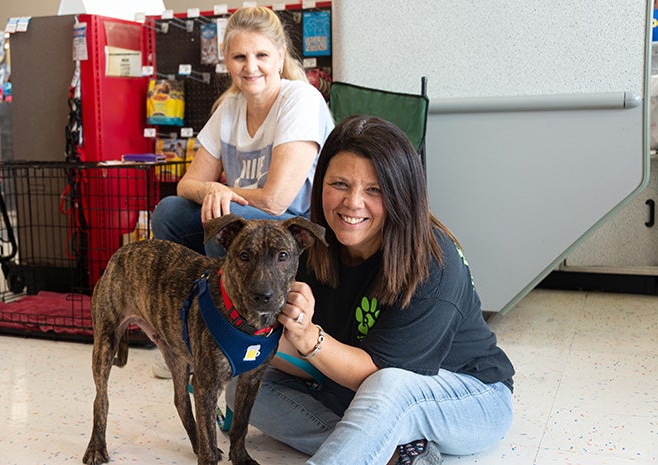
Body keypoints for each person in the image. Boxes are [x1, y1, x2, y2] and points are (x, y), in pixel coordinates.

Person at [225, 115, 515, 465]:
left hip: (468, 396)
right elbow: (304, 353)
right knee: (246, 386)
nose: (352, 203)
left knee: (389, 386)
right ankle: (397, 454)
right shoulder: (310, 243)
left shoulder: (434, 263)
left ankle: (361, 447)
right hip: (356, 386)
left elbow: (374, 375)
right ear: (321, 185)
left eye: (374, 190)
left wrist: (308, 336)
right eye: (340, 184)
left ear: (401, 195)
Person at [151, 6, 334, 256]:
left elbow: (274, 201)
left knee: (226, 218)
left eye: (261, 55)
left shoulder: (301, 99)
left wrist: (223, 193)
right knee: (169, 212)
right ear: (226, 60)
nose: (250, 67)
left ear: (280, 57)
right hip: (248, 219)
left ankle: (223, 295)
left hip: (299, 231)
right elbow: (187, 185)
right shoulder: (229, 107)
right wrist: (210, 190)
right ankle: (192, 290)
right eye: (239, 57)